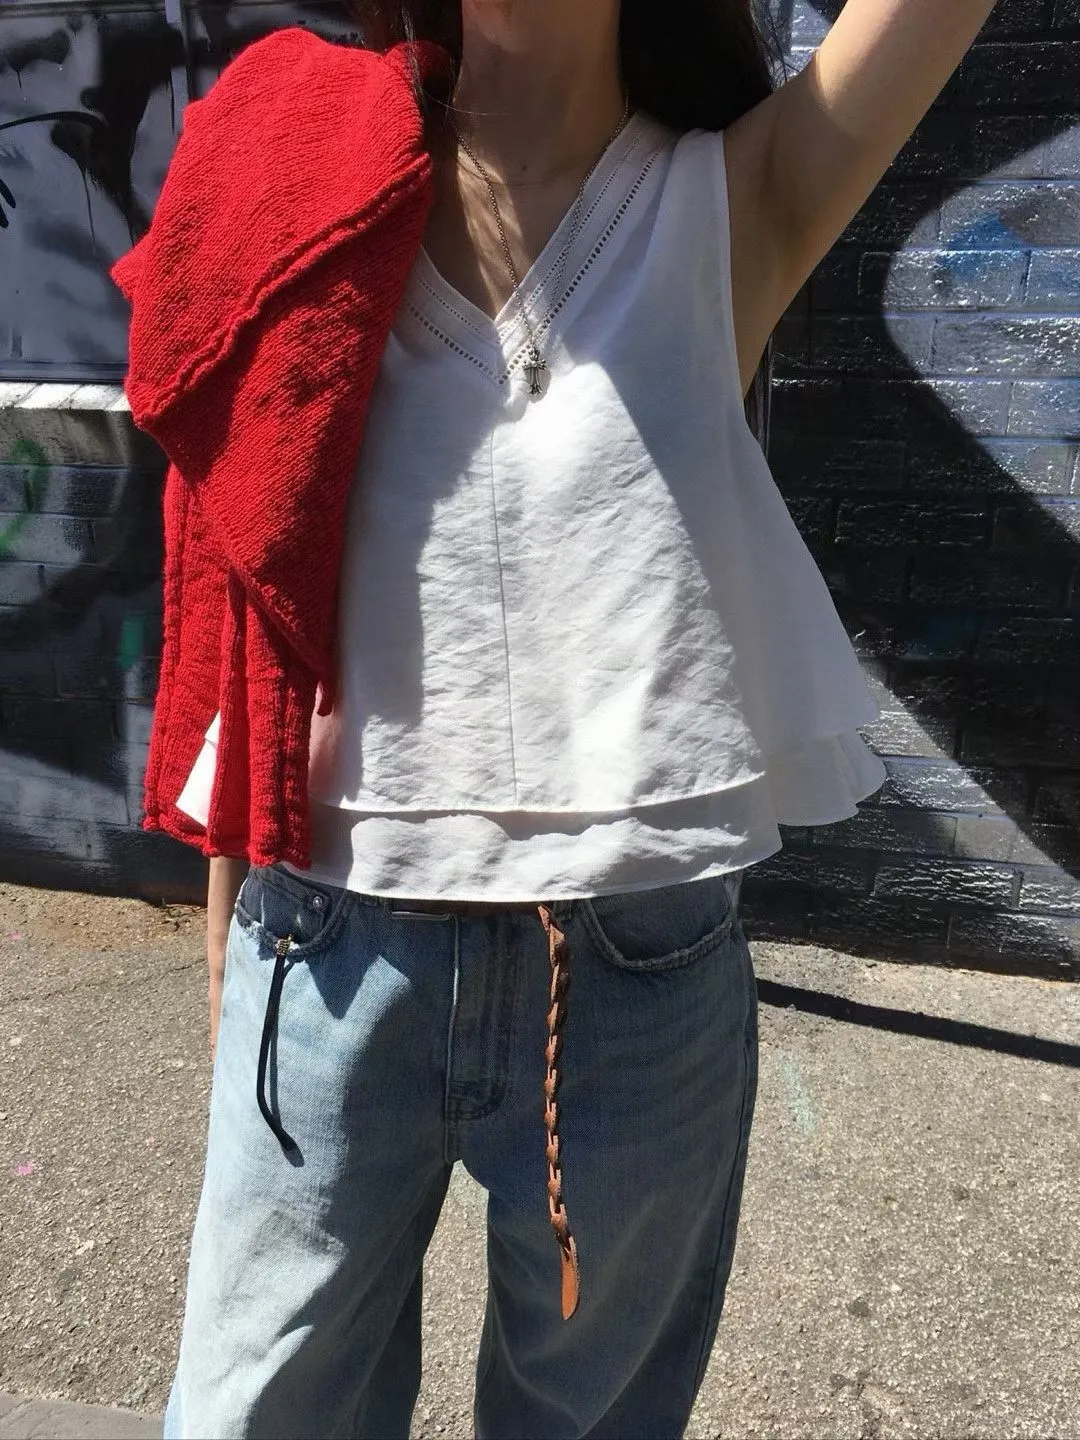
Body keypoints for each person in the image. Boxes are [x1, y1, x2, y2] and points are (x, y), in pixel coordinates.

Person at [111, 1, 1000, 1435]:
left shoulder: (736, 201)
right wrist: (234, 903)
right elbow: (249, 570)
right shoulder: (303, 187)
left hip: (635, 975)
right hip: (326, 940)